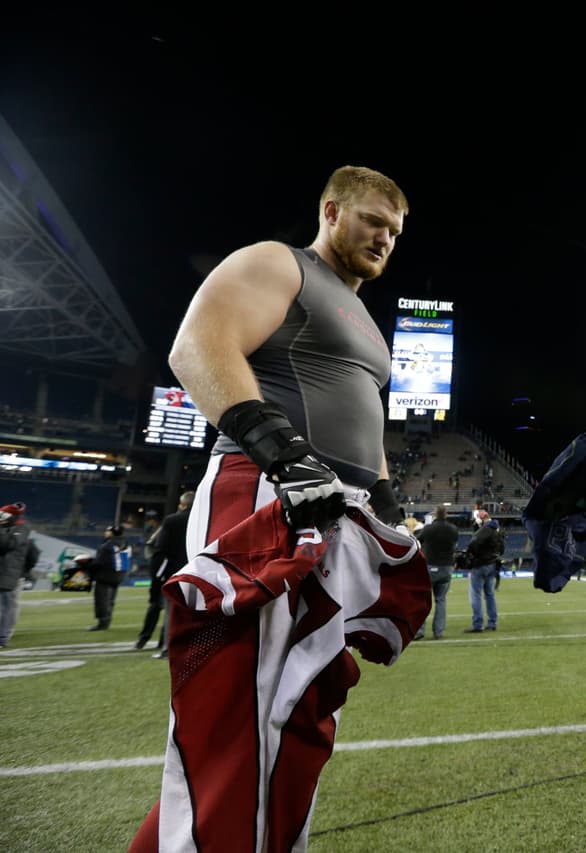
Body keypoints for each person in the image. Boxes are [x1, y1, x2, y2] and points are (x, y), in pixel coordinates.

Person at [128, 165, 420, 853]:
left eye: (395, 230)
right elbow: (196, 347)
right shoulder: (281, 263)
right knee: (238, 712)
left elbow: (366, 428)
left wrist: (389, 509)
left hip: (337, 511)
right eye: (373, 221)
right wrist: (284, 455)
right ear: (331, 211)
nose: (384, 237)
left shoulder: (370, 327)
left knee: (300, 713)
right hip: (265, 494)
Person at [134, 491, 194, 658]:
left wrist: (157, 575)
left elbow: (161, 550)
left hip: (174, 573)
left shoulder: (172, 520)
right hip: (197, 573)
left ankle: (167, 648)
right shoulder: (205, 519)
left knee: (169, 611)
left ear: (182, 504)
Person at [416, 505, 459, 640]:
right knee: (441, 600)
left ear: (435, 514)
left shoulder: (428, 529)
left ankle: (420, 631)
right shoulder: (453, 529)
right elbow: (454, 544)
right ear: (446, 514)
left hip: (430, 567)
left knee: (423, 600)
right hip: (447, 567)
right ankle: (438, 631)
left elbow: (417, 541)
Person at [0, 502, 34, 648]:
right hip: (8, 572)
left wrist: (24, 572)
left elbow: (8, 545)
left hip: (11, 573)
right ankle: (4, 635)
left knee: (7, 606)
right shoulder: (14, 530)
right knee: (7, 606)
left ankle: (3, 636)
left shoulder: (21, 529)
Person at [463, 510, 503, 633]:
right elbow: (501, 548)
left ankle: (478, 624)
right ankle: (492, 622)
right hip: (491, 564)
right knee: (490, 595)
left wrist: (474, 554)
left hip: (480, 564)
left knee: (475, 595)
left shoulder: (485, 529)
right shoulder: (496, 529)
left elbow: (473, 543)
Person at [87, 524, 126, 631]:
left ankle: (102, 623)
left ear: (112, 533)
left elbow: (98, 563)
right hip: (118, 576)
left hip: (104, 577)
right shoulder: (126, 544)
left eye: (108, 531)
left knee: (102, 600)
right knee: (111, 600)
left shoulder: (106, 546)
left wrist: (89, 570)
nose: (105, 533)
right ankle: (107, 621)